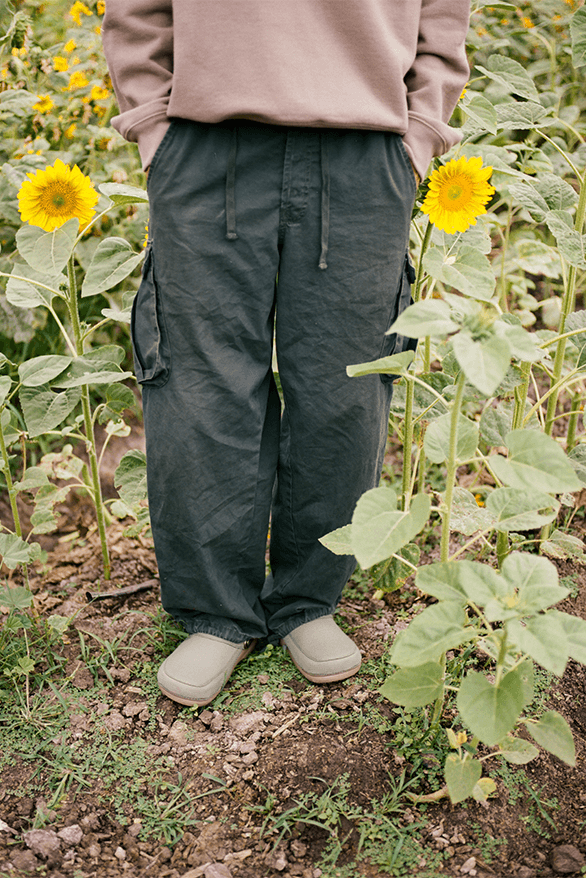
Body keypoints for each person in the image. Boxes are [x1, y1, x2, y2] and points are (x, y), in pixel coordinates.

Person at [102, 0, 470, 707]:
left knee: (346, 387)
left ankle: (309, 598)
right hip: (206, 143)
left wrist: (420, 131)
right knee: (200, 384)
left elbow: (444, 11)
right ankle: (216, 612)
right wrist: (152, 123)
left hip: (367, 152)